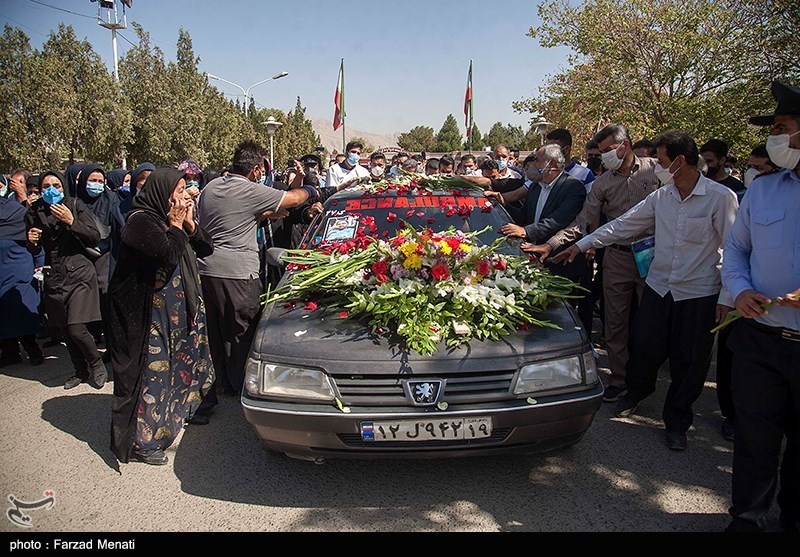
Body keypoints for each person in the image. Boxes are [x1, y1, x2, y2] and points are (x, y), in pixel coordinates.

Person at [553, 130, 738, 450]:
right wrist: (580, 244)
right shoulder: (662, 197)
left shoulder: (720, 198)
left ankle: (677, 420)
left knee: (689, 360)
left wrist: (727, 296)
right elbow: (621, 225)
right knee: (646, 346)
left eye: (663, 161)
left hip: (698, 292)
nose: (659, 167)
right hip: (659, 286)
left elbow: (733, 248)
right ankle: (636, 393)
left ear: (681, 161)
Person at [524, 124, 661, 403]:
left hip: (656, 255)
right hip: (618, 256)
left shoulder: (656, 170)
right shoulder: (603, 184)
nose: (605, 157)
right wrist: (550, 245)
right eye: (601, 152)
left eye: (609, 150)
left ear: (627, 145)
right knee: (615, 322)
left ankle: (645, 380)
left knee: (651, 322)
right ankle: (619, 379)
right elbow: (581, 222)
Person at [722, 80, 800, 533]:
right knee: (755, 438)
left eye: (782, 127)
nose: (774, 137)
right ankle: (747, 518)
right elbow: (736, 251)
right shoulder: (766, 191)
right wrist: (740, 288)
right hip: (760, 337)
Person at [197, 140, 317, 408]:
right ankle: (244, 387)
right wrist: (310, 186)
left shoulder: (212, 187)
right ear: (255, 169)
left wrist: (260, 216)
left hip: (208, 270)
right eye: (260, 170)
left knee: (217, 329)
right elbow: (293, 198)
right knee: (243, 329)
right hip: (238, 274)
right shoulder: (250, 189)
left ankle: (222, 384)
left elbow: (228, 218)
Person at [109, 168, 215, 465]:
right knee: (154, 374)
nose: (185, 196)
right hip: (151, 314)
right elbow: (167, 253)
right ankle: (145, 441)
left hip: (179, 308)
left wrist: (190, 225)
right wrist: (178, 226)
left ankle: (185, 411)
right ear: (162, 193)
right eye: (179, 190)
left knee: (185, 361)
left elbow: (206, 248)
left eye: (186, 189)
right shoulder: (140, 222)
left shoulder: (173, 219)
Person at [490, 144, 592, 333]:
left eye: (536, 160)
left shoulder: (572, 186)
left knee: (562, 322)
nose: (531, 163)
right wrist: (500, 201)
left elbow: (558, 220)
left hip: (561, 263)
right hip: (536, 261)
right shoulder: (536, 187)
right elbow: (525, 216)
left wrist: (526, 232)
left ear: (551, 164)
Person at [25, 171, 106, 389]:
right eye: (46, 186)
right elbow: (35, 245)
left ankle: (96, 364)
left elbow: (94, 236)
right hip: (54, 275)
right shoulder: (35, 210)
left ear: (63, 187)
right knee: (63, 328)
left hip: (79, 272)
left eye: (56, 185)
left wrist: (71, 221)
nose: (51, 190)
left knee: (76, 327)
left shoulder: (76, 205)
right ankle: (79, 370)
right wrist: (31, 241)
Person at [0, 187, 44, 367]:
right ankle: (10, 352)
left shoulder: (18, 213)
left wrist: (38, 264)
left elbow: (36, 242)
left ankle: (32, 349)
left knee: (21, 312)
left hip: (18, 270)